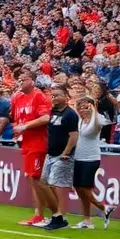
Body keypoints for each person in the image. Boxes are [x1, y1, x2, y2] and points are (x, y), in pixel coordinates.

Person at [12, 70, 55, 227]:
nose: (20, 82)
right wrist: (18, 129)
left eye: (23, 79)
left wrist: (25, 126)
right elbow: (16, 119)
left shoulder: (38, 96)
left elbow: (45, 118)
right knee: (32, 179)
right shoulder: (17, 98)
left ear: (32, 81)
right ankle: (40, 214)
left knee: (37, 180)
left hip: (38, 142)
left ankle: (48, 215)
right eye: (19, 79)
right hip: (26, 143)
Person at [71, 96, 116, 229]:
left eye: (86, 106)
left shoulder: (98, 119)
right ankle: (87, 220)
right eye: (80, 106)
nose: (82, 109)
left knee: (85, 188)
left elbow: (91, 130)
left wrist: (94, 110)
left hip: (90, 158)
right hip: (78, 157)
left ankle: (104, 207)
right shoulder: (80, 120)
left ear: (92, 106)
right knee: (79, 188)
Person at [39, 86, 79, 231]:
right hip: (51, 153)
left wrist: (66, 152)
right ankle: (56, 214)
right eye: (53, 96)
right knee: (44, 182)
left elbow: (74, 136)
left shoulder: (70, 115)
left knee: (60, 186)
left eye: (57, 95)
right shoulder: (53, 112)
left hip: (63, 155)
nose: (54, 98)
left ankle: (61, 217)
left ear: (66, 96)